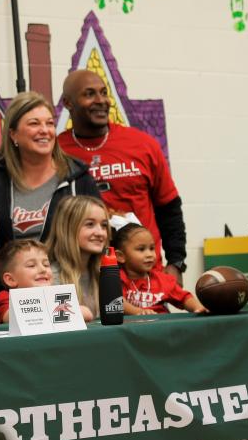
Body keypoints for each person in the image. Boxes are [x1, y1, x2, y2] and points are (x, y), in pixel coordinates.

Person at [57, 70, 187, 282]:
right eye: (89, 94)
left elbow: (169, 208)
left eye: (103, 93)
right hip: (83, 277)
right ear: (68, 103)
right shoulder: (57, 151)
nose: (101, 101)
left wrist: (176, 263)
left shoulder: (142, 144)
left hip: (143, 276)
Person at [0, 91, 100, 290]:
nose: (44, 130)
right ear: (13, 134)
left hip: (71, 290)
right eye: (34, 124)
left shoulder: (77, 179)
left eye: (49, 123)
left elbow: (100, 238)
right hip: (9, 292)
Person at [114, 223, 205, 315]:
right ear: (121, 256)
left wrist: (198, 308)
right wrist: (139, 312)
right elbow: (117, 302)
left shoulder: (162, 280)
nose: (149, 254)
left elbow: (184, 297)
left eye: (152, 248)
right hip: (132, 327)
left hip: (159, 325)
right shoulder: (116, 279)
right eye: (141, 249)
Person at [46, 195, 110, 320]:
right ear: (67, 228)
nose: (100, 232)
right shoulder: (50, 277)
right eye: (90, 224)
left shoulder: (105, 273)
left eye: (104, 225)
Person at [0, 240, 53, 324]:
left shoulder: (53, 296)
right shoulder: (4, 296)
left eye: (46, 264)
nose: (43, 269)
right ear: (10, 280)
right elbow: (12, 318)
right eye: (31, 265)